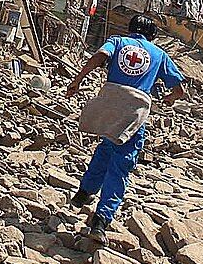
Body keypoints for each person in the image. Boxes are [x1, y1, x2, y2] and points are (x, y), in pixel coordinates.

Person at [66, 14, 188, 240]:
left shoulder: (118, 41)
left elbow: (100, 55)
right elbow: (179, 89)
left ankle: (83, 193)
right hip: (134, 112)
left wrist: (78, 79)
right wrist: (169, 99)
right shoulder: (159, 54)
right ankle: (101, 221)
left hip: (110, 105)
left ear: (130, 29)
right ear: (152, 36)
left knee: (106, 148)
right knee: (121, 164)